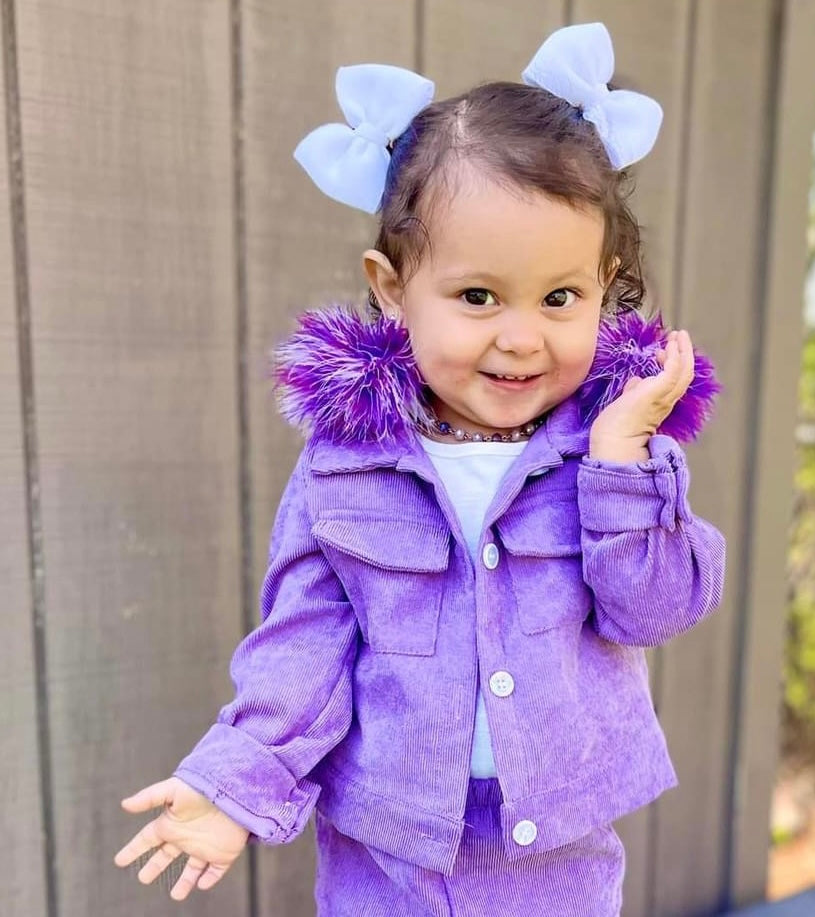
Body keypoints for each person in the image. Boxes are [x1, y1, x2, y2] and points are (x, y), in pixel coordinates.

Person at [114, 22, 726, 916]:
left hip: (552, 847)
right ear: (393, 288)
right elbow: (305, 644)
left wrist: (620, 461)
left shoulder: (618, 449)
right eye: (477, 296)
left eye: (560, 297)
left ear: (606, 281)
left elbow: (656, 607)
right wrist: (233, 785)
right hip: (385, 843)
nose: (520, 335)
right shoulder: (349, 465)